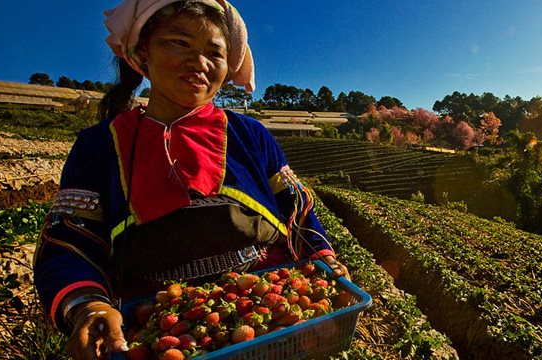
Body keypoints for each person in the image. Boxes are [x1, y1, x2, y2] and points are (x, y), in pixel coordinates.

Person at [31, 1, 349, 358]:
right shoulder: (99, 146)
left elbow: (298, 210)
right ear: (142, 52)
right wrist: (89, 305)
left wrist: (325, 260)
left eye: (214, 52)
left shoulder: (250, 135)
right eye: (178, 43)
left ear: (229, 66)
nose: (199, 63)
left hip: (270, 315)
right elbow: (68, 241)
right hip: (157, 319)